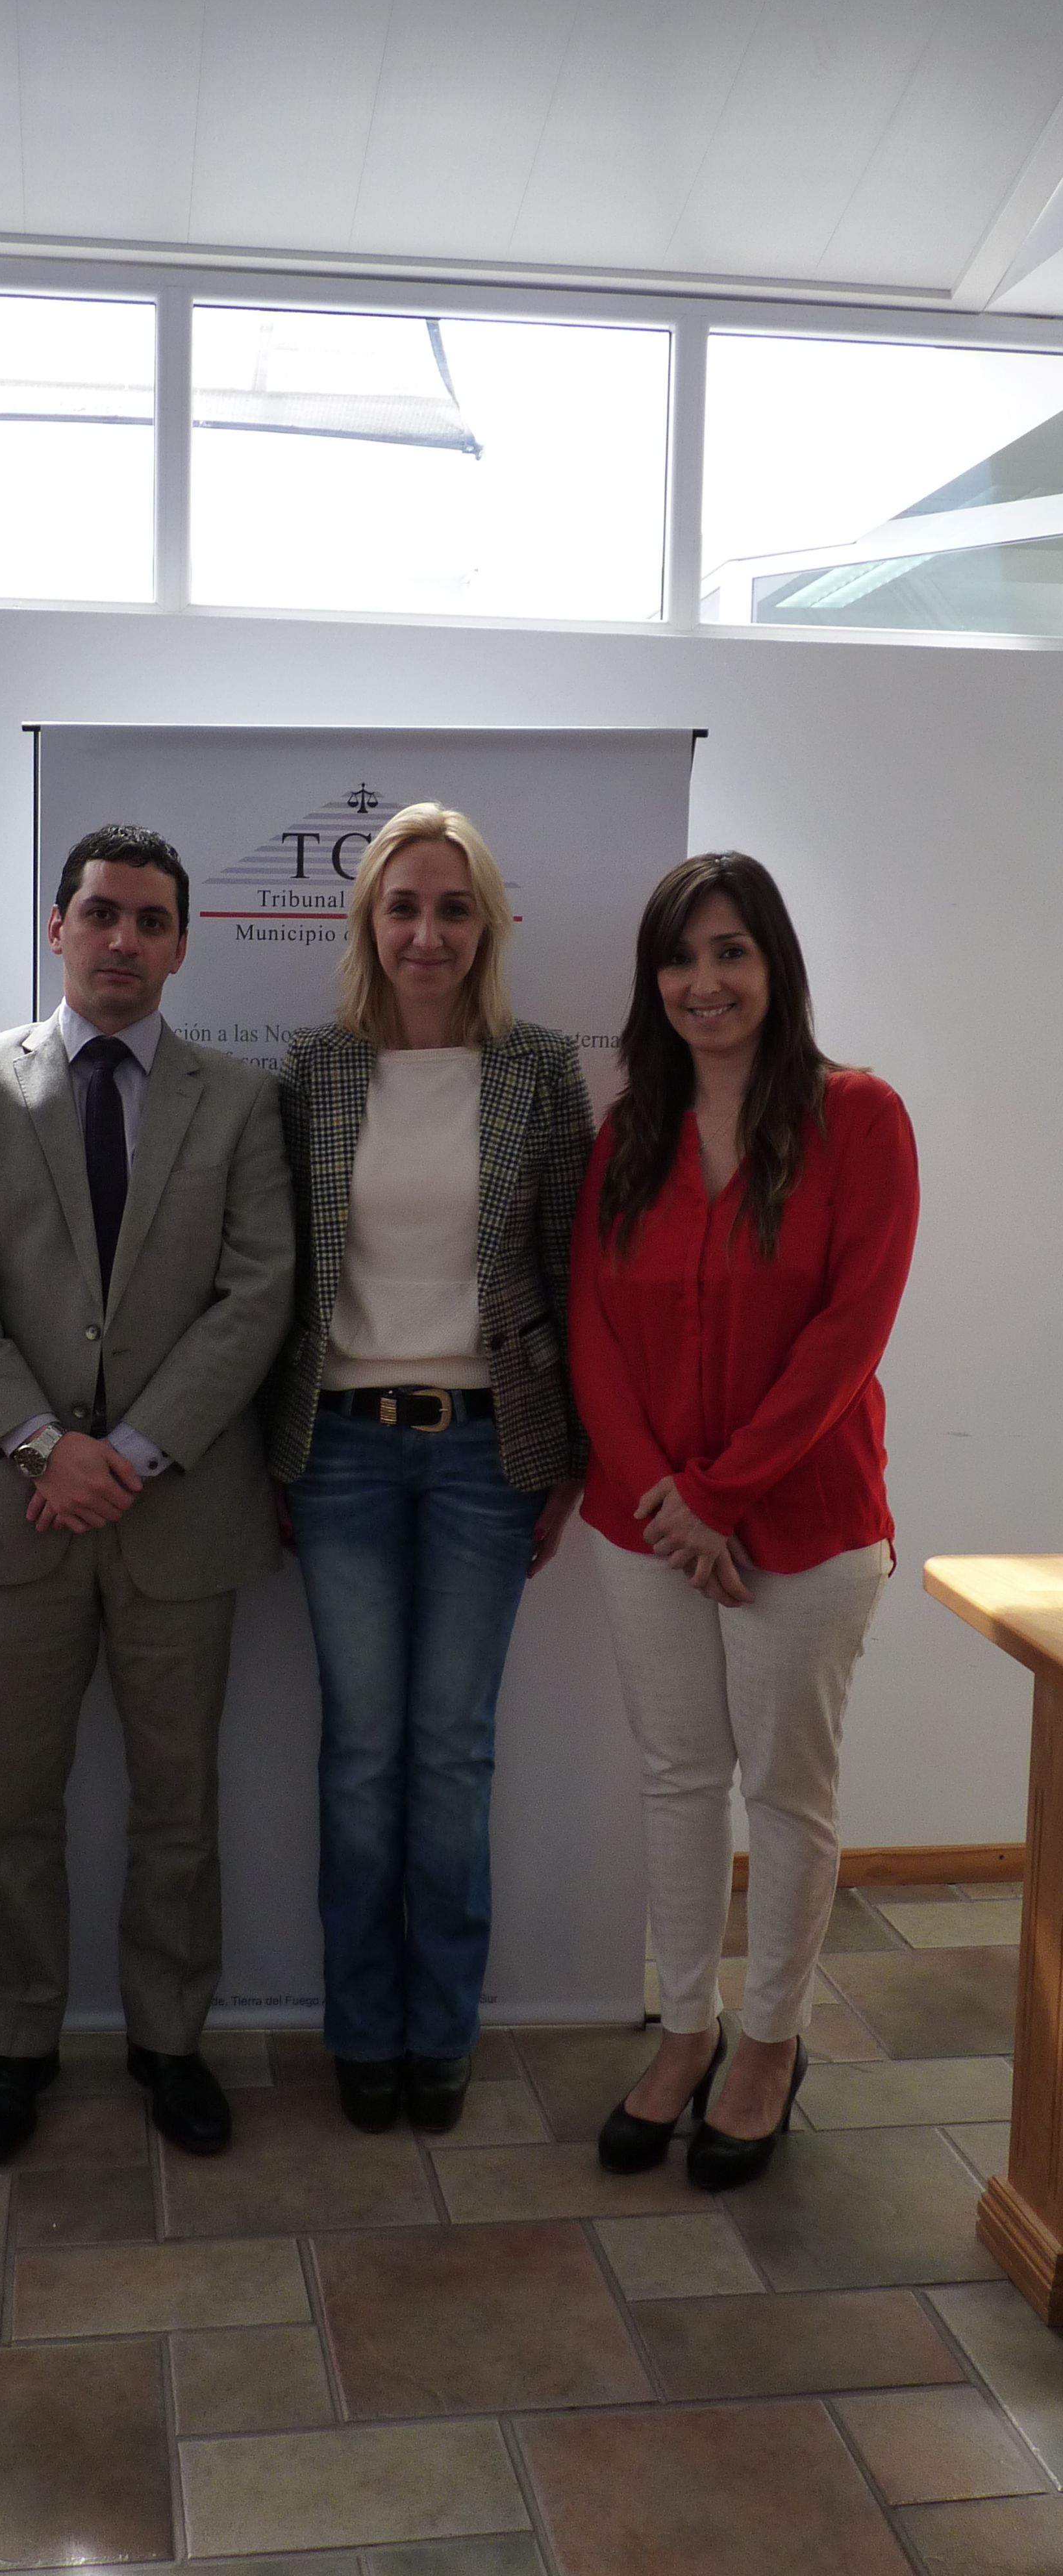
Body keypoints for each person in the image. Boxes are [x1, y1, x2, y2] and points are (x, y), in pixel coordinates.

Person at [0, 824, 294, 2167]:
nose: (123, 939)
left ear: (182, 944)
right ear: (58, 926)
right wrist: (41, 1443)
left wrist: (130, 1448)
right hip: (15, 1511)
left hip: (177, 1507)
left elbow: (258, 1293)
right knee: (16, 1802)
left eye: (150, 920)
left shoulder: (238, 1100)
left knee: (178, 1802)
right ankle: (17, 2044)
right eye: (101, 914)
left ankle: (167, 2040)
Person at [569, 852, 919, 2190]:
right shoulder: (629, 1135)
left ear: (775, 965)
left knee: (784, 1791)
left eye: (730, 952)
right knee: (677, 1777)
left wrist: (720, 1494)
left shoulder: (860, 1119)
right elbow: (592, 1328)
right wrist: (669, 1501)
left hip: (806, 1527)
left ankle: (768, 2042)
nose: (702, 981)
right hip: (646, 1523)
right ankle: (686, 2028)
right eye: (678, 958)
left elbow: (848, 1334)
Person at [267, 803, 593, 2136]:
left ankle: (439, 2028)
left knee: (451, 1753)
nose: (426, 932)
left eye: (453, 907)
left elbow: (572, 1271)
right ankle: (362, 2028)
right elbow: (276, 1277)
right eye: (402, 906)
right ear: (368, 923)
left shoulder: (540, 1071)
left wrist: (568, 1457)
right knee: (360, 1754)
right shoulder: (312, 1070)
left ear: (487, 925)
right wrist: (270, 1456)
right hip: (338, 1450)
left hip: (484, 1453)